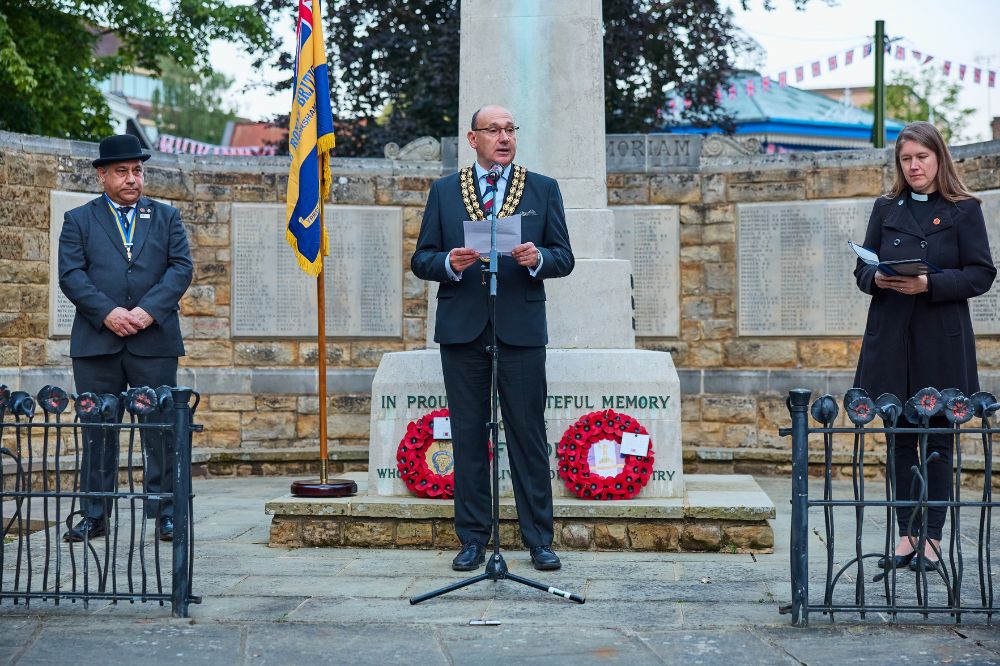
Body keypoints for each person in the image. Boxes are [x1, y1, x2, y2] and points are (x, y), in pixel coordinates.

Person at [411, 105, 574, 571]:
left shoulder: (541, 188)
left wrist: (537, 256)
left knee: (527, 434)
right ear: (473, 138)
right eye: (493, 130)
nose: (503, 137)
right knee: (467, 436)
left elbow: (564, 257)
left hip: (520, 330)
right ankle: (472, 538)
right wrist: (449, 263)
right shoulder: (445, 191)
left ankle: (539, 539)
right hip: (463, 330)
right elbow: (421, 258)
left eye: (510, 130)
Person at [853, 121, 996, 571]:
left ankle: (932, 538)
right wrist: (874, 276)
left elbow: (981, 273)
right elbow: (861, 270)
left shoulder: (964, 210)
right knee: (898, 439)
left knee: (936, 440)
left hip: (940, 340)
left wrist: (928, 283)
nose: (914, 166)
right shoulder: (885, 207)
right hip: (891, 339)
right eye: (906, 159)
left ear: (939, 158)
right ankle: (905, 535)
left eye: (922, 157)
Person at [58, 134, 193, 542]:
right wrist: (108, 313)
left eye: (137, 170)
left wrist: (148, 311)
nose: (132, 178)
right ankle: (95, 513)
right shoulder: (79, 219)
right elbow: (71, 274)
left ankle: (165, 512)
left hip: (154, 342)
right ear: (102, 175)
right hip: (97, 344)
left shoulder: (167, 217)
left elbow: (180, 269)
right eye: (122, 171)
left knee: (160, 429)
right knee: (98, 430)